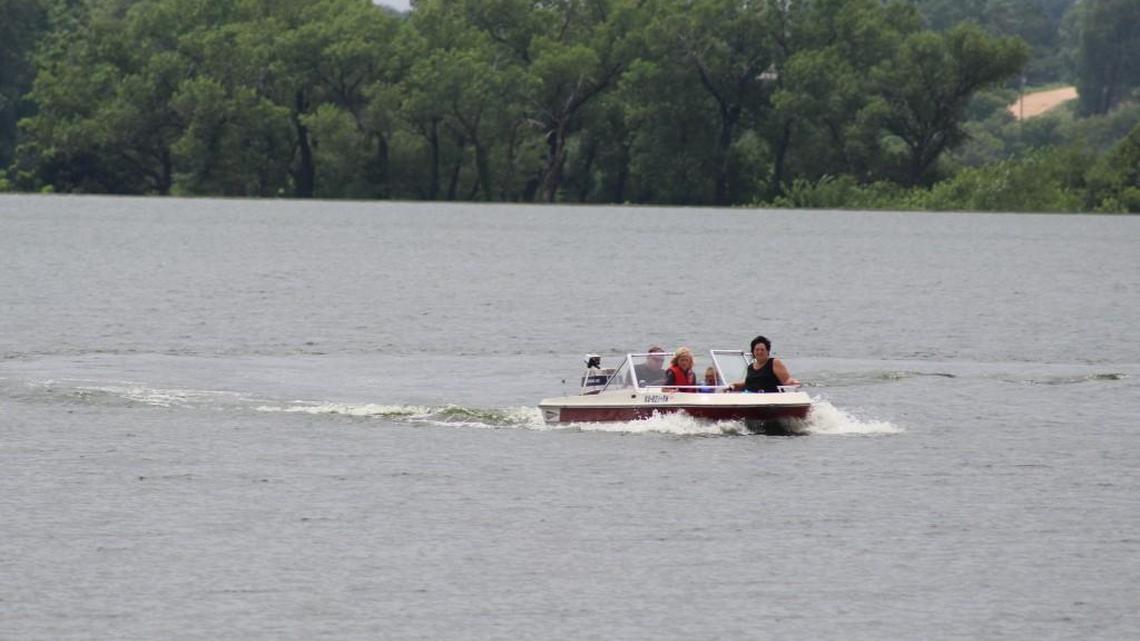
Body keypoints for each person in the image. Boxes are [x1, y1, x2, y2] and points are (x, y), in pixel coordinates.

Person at [727, 335, 800, 393]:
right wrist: (734, 385)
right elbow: (749, 383)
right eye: (757, 350)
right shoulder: (750, 367)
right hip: (751, 398)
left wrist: (793, 382)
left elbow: (787, 380)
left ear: (768, 351)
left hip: (770, 399)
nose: (759, 352)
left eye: (762, 350)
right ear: (753, 352)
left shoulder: (774, 362)